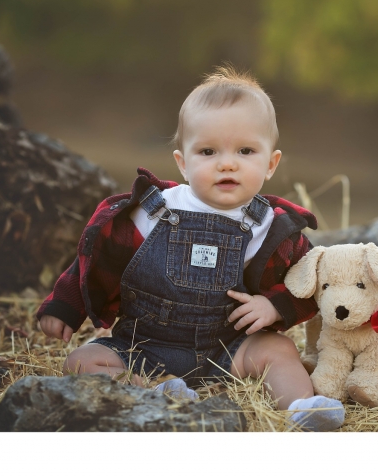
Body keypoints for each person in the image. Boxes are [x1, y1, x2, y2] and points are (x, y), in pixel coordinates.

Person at [37, 66, 345, 431]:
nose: (227, 163)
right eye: (208, 151)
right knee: (80, 361)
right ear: (183, 162)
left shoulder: (271, 226)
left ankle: (302, 409)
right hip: (142, 347)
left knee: (279, 351)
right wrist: (65, 304)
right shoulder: (152, 211)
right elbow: (99, 257)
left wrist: (275, 306)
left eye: (246, 150)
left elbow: (307, 282)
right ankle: (156, 392)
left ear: (270, 164)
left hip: (229, 349)